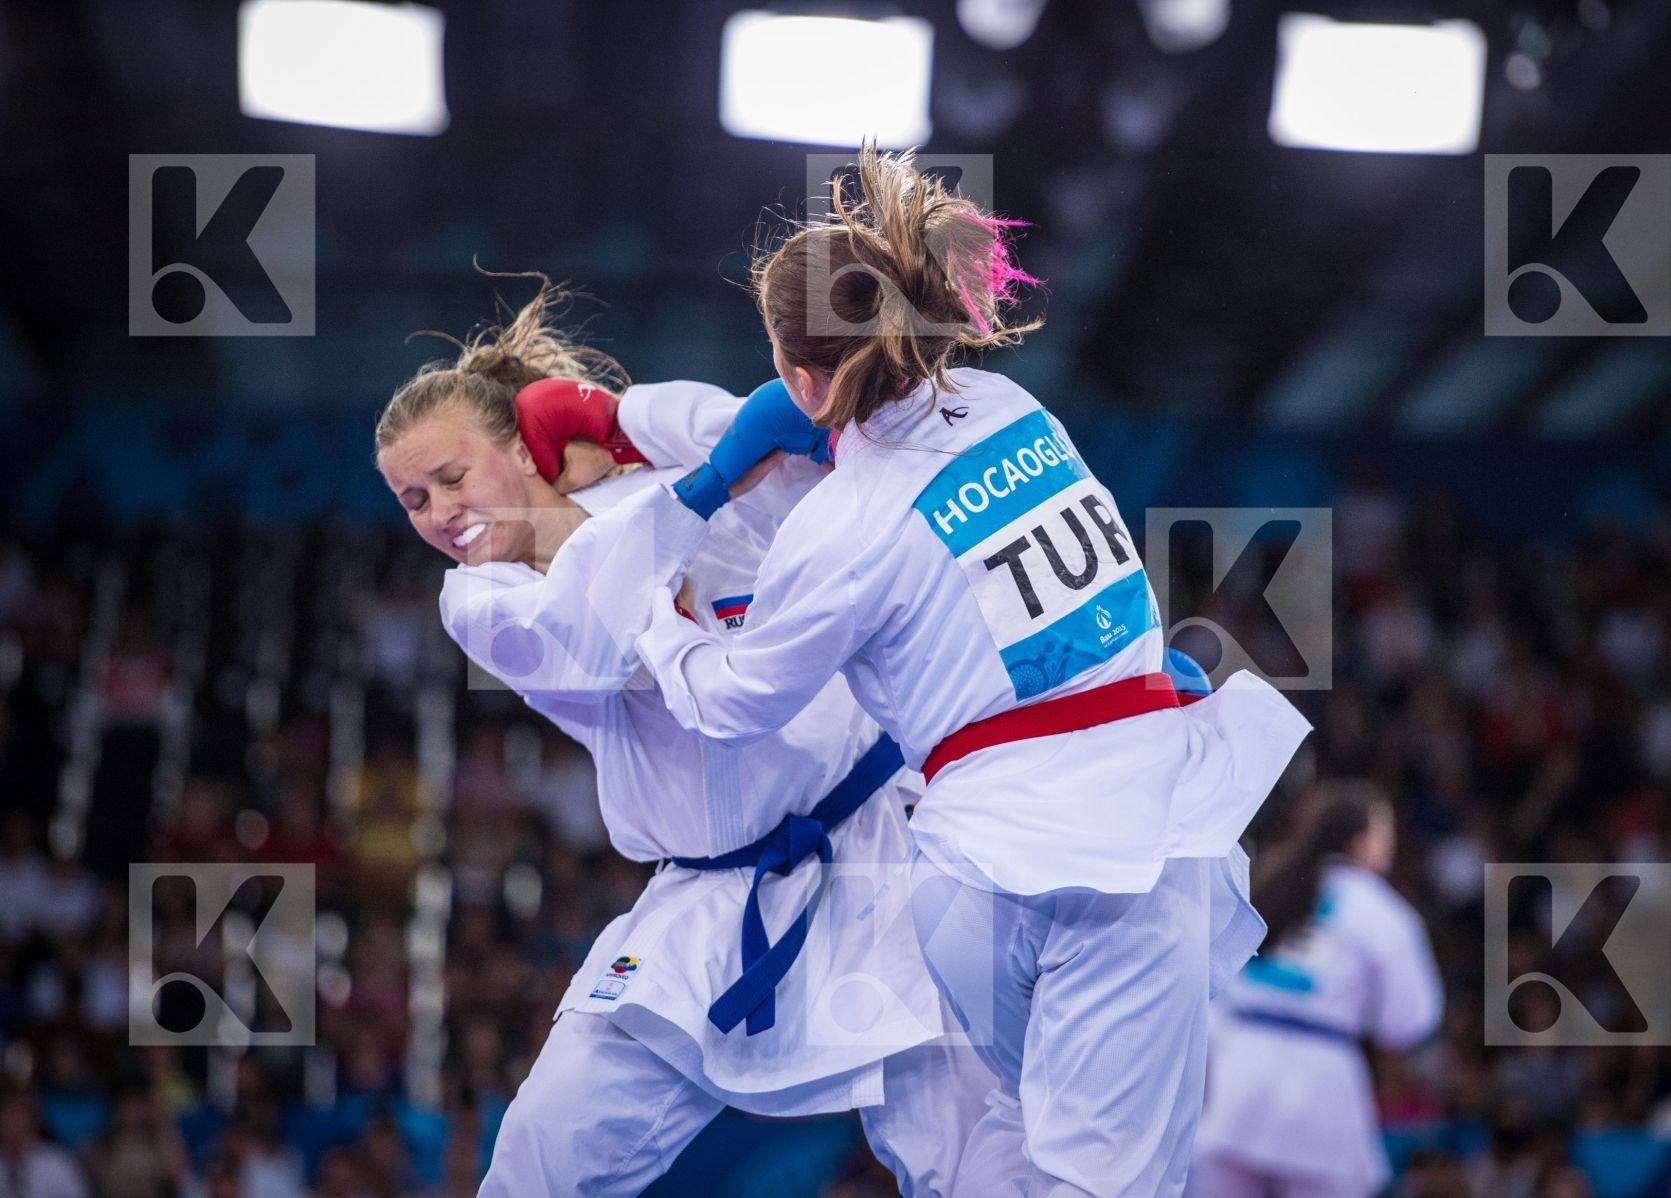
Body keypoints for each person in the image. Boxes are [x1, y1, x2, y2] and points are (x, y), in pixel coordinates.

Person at [570, 148, 1315, 1196]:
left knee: (1002, 1152)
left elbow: (732, 701)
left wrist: (652, 610)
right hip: (1132, 837)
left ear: (794, 377)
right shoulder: (1014, 410)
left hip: (967, 883)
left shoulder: (837, 532)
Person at [372, 276, 995, 1197]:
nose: (438, 514)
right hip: (701, 907)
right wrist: (697, 491)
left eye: (451, 477)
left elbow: (795, 428)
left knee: (976, 1156)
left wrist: (632, 422)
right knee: (540, 1158)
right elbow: (589, 639)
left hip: (883, 862)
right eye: (412, 500)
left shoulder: (664, 483)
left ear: (521, 445)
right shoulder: (483, 600)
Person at [1189, 780, 1444, 1198]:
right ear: (1364, 842)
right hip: (1322, 1083)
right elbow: (1407, 1023)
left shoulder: (1266, 884)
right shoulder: (1382, 912)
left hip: (1236, 1073)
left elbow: (1210, 977)